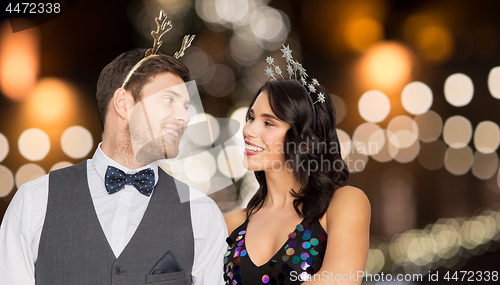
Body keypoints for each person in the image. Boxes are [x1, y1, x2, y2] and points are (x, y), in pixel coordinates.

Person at [0, 11, 227, 285]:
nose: (184, 117)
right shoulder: (34, 202)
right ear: (123, 104)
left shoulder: (202, 215)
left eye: (186, 106)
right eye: (169, 100)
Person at [223, 50, 371, 284]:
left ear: (304, 137)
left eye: (268, 122)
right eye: (251, 118)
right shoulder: (231, 224)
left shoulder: (344, 204)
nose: (249, 130)